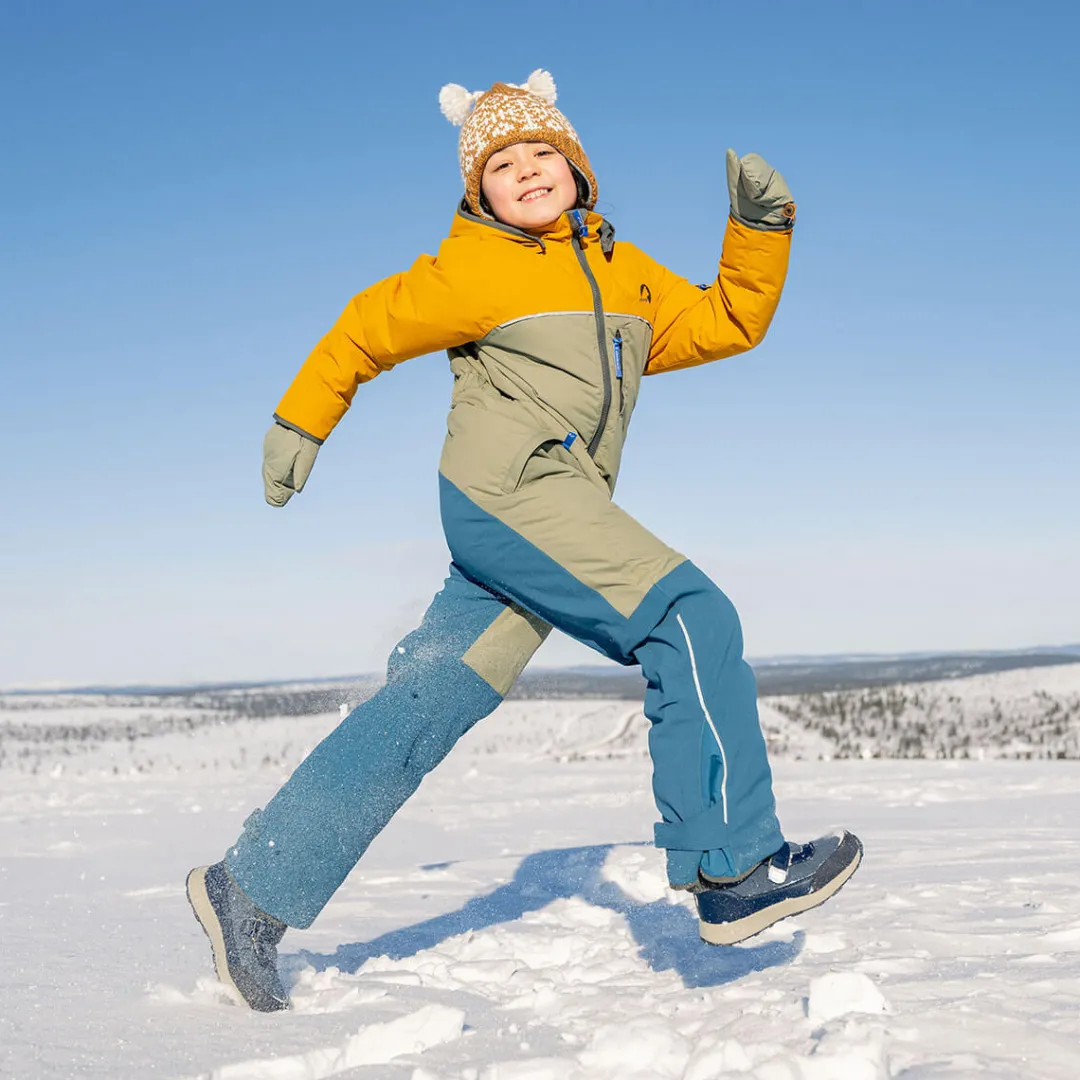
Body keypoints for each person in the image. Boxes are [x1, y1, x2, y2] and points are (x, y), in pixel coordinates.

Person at [186, 70, 862, 1012]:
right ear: (480, 192)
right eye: (501, 164)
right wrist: (301, 420)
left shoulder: (625, 272)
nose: (528, 170)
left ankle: (251, 889)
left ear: (577, 167)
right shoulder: (471, 269)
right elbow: (365, 329)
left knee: (429, 698)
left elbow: (725, 320)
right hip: (511, 493)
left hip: (540, 510)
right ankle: (735, 865)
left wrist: (759, 230)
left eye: (543, 151)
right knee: (689, 616)